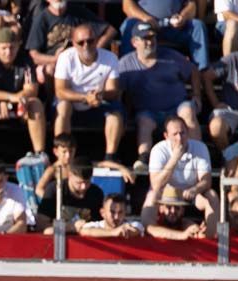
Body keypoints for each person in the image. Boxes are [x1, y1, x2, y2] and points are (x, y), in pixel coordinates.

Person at [117, 22, 202, 172]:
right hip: (148, 111)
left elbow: (193, 71)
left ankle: (196, 155)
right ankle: (143, 158)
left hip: (176, 108)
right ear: (134, 42)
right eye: (145, 39)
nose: (150, 42)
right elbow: (118, 92)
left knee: (188, 110)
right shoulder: (125, 64)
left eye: (152, 37)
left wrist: (196, 95)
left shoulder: (171, 57)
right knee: (144, 122)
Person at [0, 28, 47, 163]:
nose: (8, 52)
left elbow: (32, 89)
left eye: (12, 47)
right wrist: (8, 98)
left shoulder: (25, 60)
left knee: (35, 103)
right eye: (4, 48)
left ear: (18, 46)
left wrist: (14, 101)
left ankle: (39, 153)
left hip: (20, 105)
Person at [53, 23, 123, 163]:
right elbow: (60, 91)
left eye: (90, 41)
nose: (86, 45)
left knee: (115, 114)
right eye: (81, 42)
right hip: (73, 102)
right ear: (73, 43)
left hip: (99, 101)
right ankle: (62, 156)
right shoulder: (65, 58)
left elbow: (113, 90)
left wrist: (100, 95)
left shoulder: (110, 58)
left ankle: (110, 157)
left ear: (97, 40)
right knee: (63, 108)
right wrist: (85, 97)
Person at [142, 116, 217, 235]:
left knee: (211, 196)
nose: (180, 138)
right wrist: (176, 157)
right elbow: (156, 184)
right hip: (166, 193)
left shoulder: (199, 147)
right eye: (175, 134)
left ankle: (208, 237)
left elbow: (206, 181)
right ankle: (150, 233)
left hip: (191, 192)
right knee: (151, 197)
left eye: (182, 133)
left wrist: (195, 189)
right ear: (166, 136)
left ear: (188, 133)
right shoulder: (158, 150)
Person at [26, 0, 113, 81]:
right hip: (55, 63)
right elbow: (33, 55)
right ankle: (53, 97)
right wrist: (55, 59)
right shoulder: (41, 18)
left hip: (80, 60)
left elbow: (111, 30)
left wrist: (94, 48)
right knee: (49, 70)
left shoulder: (78, 12)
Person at [120, 0, 209, 69]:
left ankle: (202, 72)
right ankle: (126, 71)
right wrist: (146, 18)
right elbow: (127, 6)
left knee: (197, 25)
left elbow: (191, 5)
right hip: (144, 24)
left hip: (173, 26)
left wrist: (183, 16)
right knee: (130, 26)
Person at [36, 159, 104, 232]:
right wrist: (70, 227)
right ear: (70, 175)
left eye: (87, 182)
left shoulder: (96, 193)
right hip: (59, 237)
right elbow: (41, 223)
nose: (83, 187)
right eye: (79, 183)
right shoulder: (55, 190)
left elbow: (101, 223)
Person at [77, 192, 145, 237]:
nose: (116, 217)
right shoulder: (94, 225)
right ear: (102, 213)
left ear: (125, 213)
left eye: (120, 212)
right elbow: (84, 231)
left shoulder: (133, 225)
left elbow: (136, 230)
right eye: (112, 212)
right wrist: (113, 232)